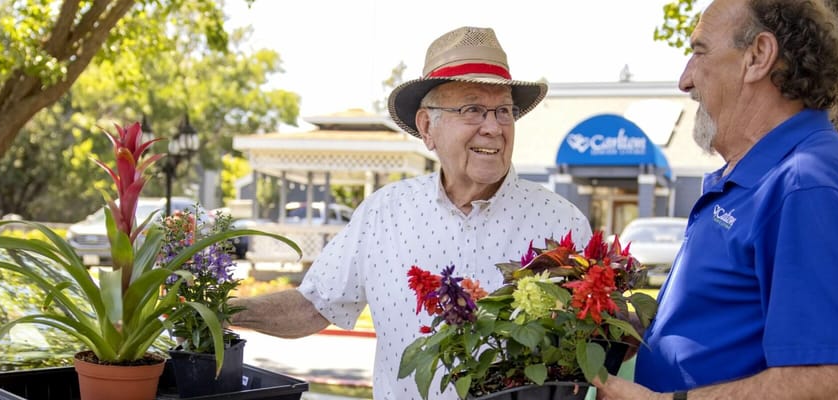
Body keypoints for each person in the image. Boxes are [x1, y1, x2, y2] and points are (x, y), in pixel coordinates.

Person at [230, 26, 592, 399]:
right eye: (472, 110)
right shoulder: (384, 213)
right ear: (426, 127)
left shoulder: (559, 223)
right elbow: (313, 307)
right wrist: (216, 310)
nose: (493, 128)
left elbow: (594, 342)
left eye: (503, 111)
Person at [593, 0, 838, 399]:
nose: (685, 80)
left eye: (700, 51)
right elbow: (731, 318)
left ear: (758, 56)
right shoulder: (757, 176)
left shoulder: (810, 185)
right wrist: (642, 329)